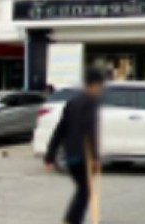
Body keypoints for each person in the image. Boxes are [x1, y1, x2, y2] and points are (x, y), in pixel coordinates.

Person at [45, 68, 104, 224]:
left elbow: (60, 130)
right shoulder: (91, 102)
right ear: (95, 85)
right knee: (85, 190)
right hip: (83, 154)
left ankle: (71, 220)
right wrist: (95, 157)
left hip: (70, 154)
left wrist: (50, 156)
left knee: (83, 189)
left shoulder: (72, 102)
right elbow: (91, 130)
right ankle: (71, 220)